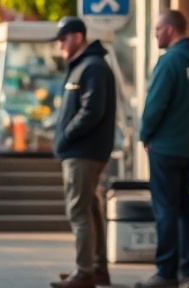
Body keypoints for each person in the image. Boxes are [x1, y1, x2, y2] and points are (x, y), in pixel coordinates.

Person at [135, 10, 189, 288]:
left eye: (157, 29)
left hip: (166, 148)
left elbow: (154, 105)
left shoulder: (170, 62)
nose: (155, 35)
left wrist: (145, 135)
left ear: (170, 30)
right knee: (187, 210)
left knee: (166, 210)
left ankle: (166, 273)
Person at [50, 16, 117, 288]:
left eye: (63, 39)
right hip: (83, 150)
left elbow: (93, 110)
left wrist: (67, 134)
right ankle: (97, 269)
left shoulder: (92, 67)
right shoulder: (83, 66)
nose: (60, 45)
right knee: (90, 209)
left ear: (78, 37)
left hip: (84, 152)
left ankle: (84, 273)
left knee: (78, 212)